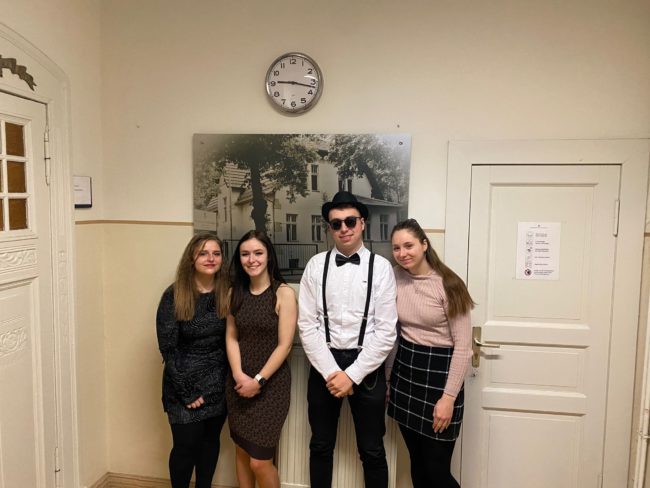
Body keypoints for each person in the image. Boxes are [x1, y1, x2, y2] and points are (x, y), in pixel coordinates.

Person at [298, 191, 398, 488]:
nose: (344, 228)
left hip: (367, 365)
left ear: (362, 223)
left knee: (372, 450)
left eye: (350, 221)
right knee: (320, 445)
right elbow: (307, 325)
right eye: (336, 223)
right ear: (330, 228)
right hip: (324, 363)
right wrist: (333, 372)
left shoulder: (381, 268)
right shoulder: (315, 266)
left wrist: (352, 375)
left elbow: (386, 331)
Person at [387, 218, 474, 488]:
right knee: (418, 464)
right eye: (396, 248)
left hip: (439, 379)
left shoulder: (449, 284)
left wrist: (448, 398)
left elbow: (463, 347)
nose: (402, 253)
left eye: (409, 245)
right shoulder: (394, 277)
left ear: (424, 244)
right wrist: (388, 380)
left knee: (437, 471)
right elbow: (394, 334)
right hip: (405, 374)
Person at [156, 233, 230, 488]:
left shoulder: (228, 291)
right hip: (182, 384)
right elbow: (168, 349)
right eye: (203, 253)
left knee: (210, 444)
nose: (211, 259)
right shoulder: (174, 295)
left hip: (217, 384)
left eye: (216, 253)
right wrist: (186, 392)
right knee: (186, 447)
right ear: (191, 258)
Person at [225, 230, 297, 488]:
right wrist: (238, 375)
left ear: (268, 256)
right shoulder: (234, 292)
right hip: (238, 383)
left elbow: (285, 346)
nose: (251, 259)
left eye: (258, 253)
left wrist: (258, 381)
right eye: (245, 254)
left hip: (271, 387)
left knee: (259, 461)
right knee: (242, 450)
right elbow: (231, 337)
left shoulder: (283, 293)